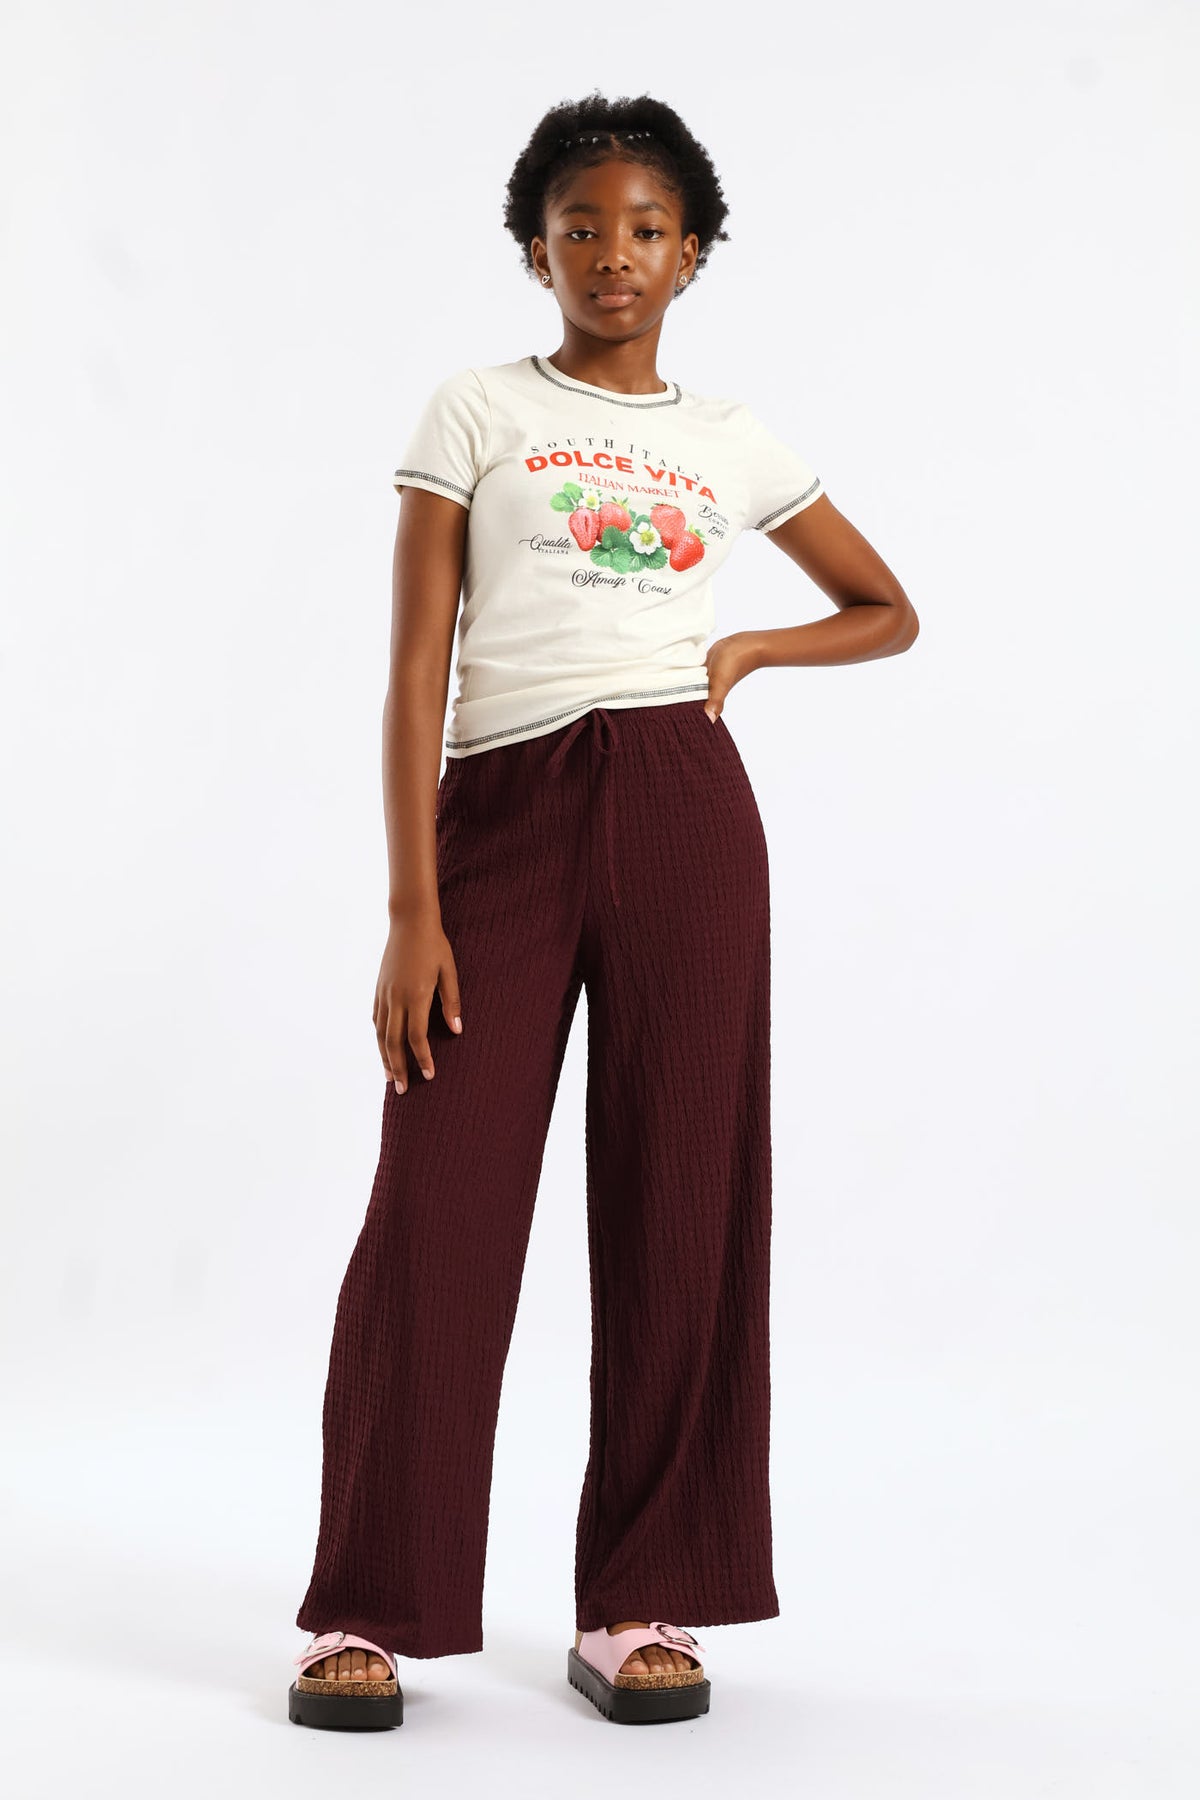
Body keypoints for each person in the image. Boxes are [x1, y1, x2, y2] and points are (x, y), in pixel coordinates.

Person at [287, 91, 918, 1732]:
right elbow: (416, 665)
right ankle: (368, 1603)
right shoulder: (476, 409)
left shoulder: (732, 439)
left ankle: (641, 1598)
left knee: (680, 1200)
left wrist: (752, 648)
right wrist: (411, 904)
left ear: (691, 253)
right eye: (581, 227)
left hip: (684, 810)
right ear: (537, 249)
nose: (612, 254)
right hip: (500, 814)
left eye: (645, 229)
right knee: (437, 1205)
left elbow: (887, 607)